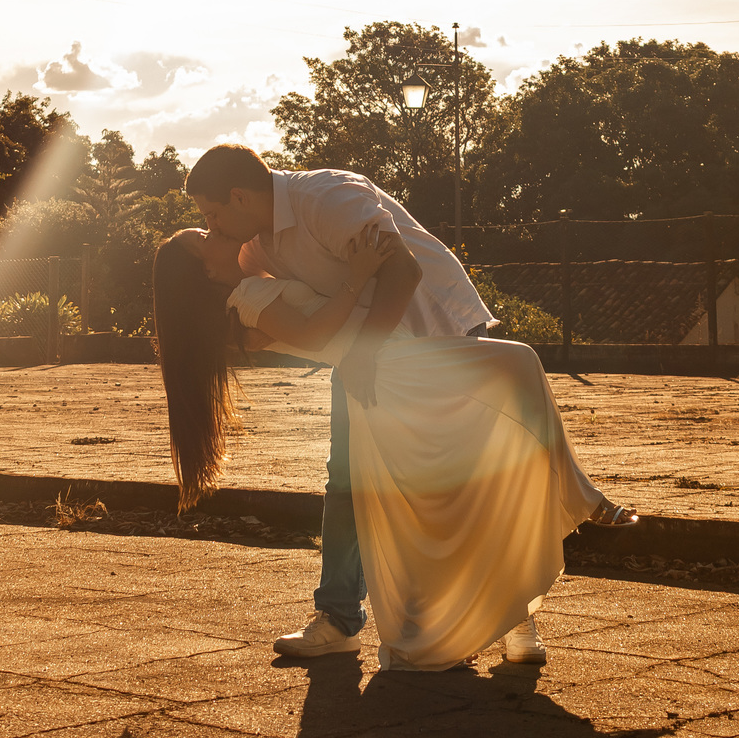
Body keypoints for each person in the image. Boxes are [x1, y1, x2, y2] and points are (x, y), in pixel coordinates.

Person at [161, 143, 633, 667]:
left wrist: (355, 342)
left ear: (239, 196)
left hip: (432, 333)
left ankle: (516, 615)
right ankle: (341, 619)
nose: (214, 228)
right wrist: (354, 335)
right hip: (369, 357)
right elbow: (290, 321)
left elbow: (403, 274)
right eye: (207, 227)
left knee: (478, 479)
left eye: (211, 216)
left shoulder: (327, 197)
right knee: (349, 484)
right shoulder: (248, 250)